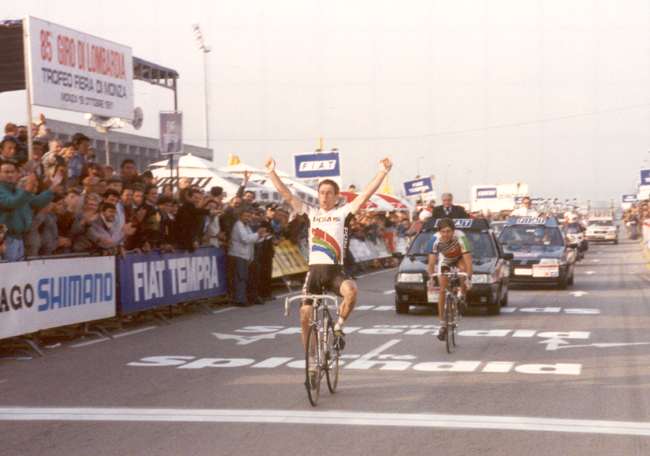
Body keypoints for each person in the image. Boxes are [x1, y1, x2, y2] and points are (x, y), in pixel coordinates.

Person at [264, 155, 393, 357]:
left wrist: (382, 172)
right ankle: (312, 361)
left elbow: (365, 195)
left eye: (329, 193)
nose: (324, 197)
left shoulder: (343, 213)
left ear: (336, 197)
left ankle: (339, 327)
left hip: (335, 274)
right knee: (305, 317)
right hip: (314, 275)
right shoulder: (310, 213)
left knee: (352, 291)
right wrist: (272, 173)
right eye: (321, 193)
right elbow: (288, 196)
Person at [0, 162, 63, 261]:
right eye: (6, 172)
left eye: (12, 172)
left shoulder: (18, 190)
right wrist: (29, 188)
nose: (10, 175)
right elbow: (11, 203)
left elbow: (37, 202)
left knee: (19, 272)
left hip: (19, 238)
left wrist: (52, 188)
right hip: (6, 239)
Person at [426, 218, 473, 341]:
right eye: (443, 232)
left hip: (459, 258)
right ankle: (442, 325)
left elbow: (468, 261)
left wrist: (469, 279)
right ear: (439, 232)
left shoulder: (460, 237)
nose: (445, 235)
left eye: (448, 231)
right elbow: (431, 262)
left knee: (463, 269)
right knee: (442, 290)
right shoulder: (435, 239)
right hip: (445, 258)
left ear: (453, 231)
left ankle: (462, 297)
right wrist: (431, 278)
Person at [227, 208, 268, 306]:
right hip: (237, 254)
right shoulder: (238, 225)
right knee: (240, 278)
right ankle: (239, 299)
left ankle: (242, 298)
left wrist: (261, 236)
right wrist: (257, 234)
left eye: (248, 216)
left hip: (244, 255)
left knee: (243, 278)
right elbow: (245, 239)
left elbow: (252, 240)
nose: (247, 218)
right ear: (240, 216)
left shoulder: (246, 226)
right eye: (245, 216)